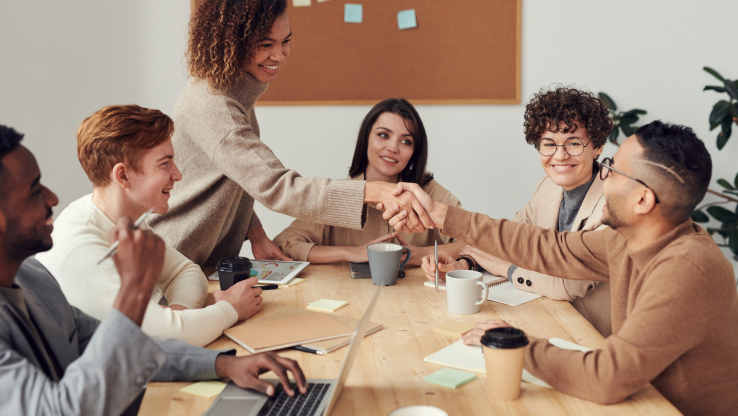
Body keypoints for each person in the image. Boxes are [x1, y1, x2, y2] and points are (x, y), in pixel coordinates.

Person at [389, 121, 738, 415]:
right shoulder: (628, 240)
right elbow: (547, 247)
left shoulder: (685, 268)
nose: (603, 175)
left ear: (643, 200)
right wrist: (442, 215)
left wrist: (513, 344)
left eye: (613, 169)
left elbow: (608, 377)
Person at [0, 124, 307, 416]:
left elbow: (122, 345)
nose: (53, 197)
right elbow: (63, 411)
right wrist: (135, 289)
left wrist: (222, 364)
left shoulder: (32, 278)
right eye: (34, 191)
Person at [149, 0, 431, 266]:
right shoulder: (215, 105)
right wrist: (370, 191)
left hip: (198, 263)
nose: (280, 55)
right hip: (171, 262)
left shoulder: (231, 93)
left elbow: (236, 176)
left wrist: (255, 232)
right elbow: (278, 186)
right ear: (233, 43)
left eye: (286, 42)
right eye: (265, 44)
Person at [36, 106, 260, 347]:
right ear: (122, 176)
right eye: (165, 164)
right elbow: (159, 340)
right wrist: (230, 308)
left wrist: (177, 317)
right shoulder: (82, 246)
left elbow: (186, 272)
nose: (177, 175)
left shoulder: (124, 219)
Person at [423, 86, 614, 336]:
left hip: (595, 336)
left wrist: (506, 269)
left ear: (597, 146)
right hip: (550, 318)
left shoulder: (613, 203)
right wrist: (466, 263)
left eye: (574, 143)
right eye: (548, 144)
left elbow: (567, 285)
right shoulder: (547, 187)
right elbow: (509, 239)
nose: (560, 155)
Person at [274, 98, 465, 264]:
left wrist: (424, 253)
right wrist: (350, 252)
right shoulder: (338, 195)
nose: (393, 147)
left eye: (406, 141)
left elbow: (477, 243)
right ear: (366, 138)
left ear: (415, 151)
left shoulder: (431, 194)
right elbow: (284, 244)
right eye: (383, 135)